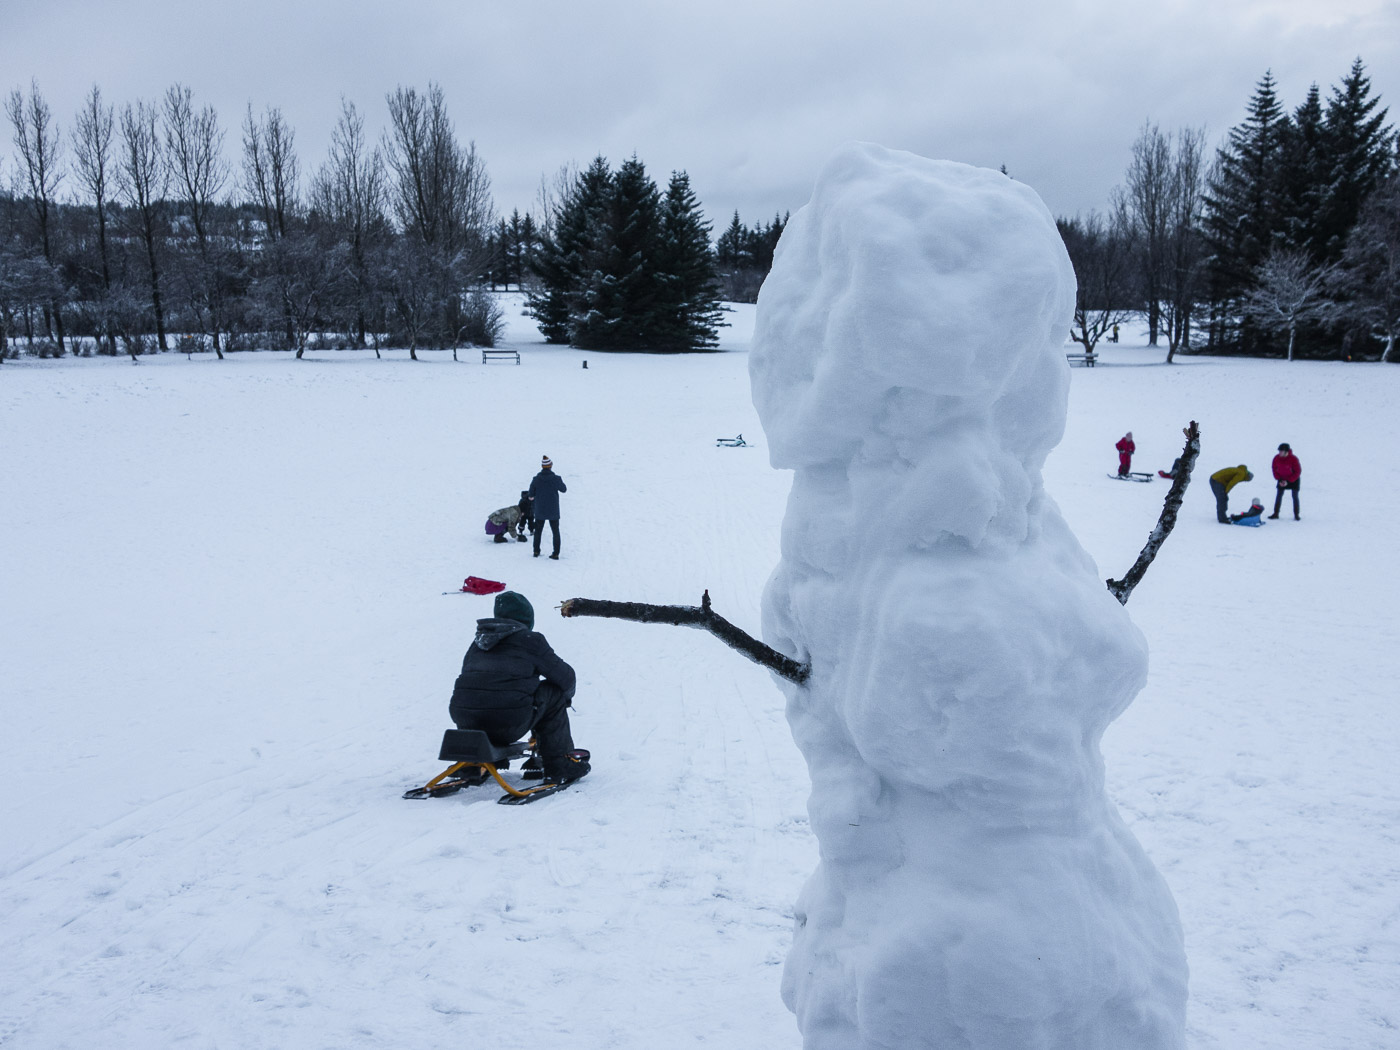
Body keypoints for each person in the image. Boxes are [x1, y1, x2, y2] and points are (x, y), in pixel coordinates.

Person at [448, 591, 590, 783]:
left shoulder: (478, 643)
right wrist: (565, 698)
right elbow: (565, 677)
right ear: (527, 619)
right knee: (553, 692)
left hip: (466, 723)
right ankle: (558, 763)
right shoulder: (530, 640)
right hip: (508, 723)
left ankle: (477, 761)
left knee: (492, 691)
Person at [528, 455, 567, 559]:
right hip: (553, 510)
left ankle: (536, 551)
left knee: (538, 531)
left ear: (542, 466)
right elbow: (564, 489)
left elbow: (530, 494)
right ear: (551, 466)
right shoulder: (556, 478)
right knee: (555, 531)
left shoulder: (536, 479)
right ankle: (555, 553)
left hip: (540, 509)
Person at [1269, 442, 1301, 520]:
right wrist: (1278, 479)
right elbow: (1274, 468)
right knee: (1279, 495)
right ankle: (1276, 513)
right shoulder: (1276, 458)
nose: (1279, 453)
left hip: (1293, 479)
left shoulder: (1294, 459)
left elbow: (1298, 471)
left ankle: (1296, 515)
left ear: (1286, 451)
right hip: (1281, 479)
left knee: (1295, 496)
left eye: (1281, 451)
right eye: (1279, 451)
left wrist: (1289, 481)